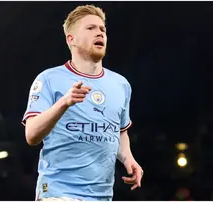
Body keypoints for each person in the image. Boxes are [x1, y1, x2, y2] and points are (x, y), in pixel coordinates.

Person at [22, 5, 143, 201]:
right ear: (72, 39)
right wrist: (64, 103)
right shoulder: (49, 79)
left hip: (102, 195)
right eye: (91, 28)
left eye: (102, 29)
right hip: (58, 192)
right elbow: (31, 135)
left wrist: (129, 158)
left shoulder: (121, 84)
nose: (100, 33)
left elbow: (120, 131)